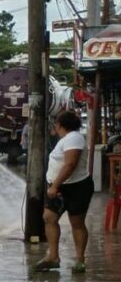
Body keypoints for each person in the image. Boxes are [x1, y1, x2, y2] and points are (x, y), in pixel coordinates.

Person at [35, 110, 92, 273]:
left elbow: (70, 164)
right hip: (60, 187)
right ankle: (53, 257)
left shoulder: (74, 138)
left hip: (76, 187)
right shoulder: (66, 139)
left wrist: (55, 185)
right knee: (49, 217)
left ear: (60, 125)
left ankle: (80, 260)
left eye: (56, 123)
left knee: (77, 223)